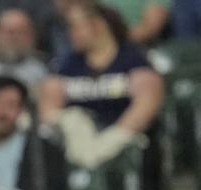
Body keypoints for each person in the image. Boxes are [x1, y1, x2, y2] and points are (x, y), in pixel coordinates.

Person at [39, 1, 164, 170]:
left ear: (98, 25)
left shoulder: (133, 59)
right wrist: (71, 122)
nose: (71, 34)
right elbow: (48, 109)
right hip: (76, 147)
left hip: (124, 145)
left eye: (75, 27)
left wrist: (112, 139)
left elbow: (147, 103)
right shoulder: (66, 65)